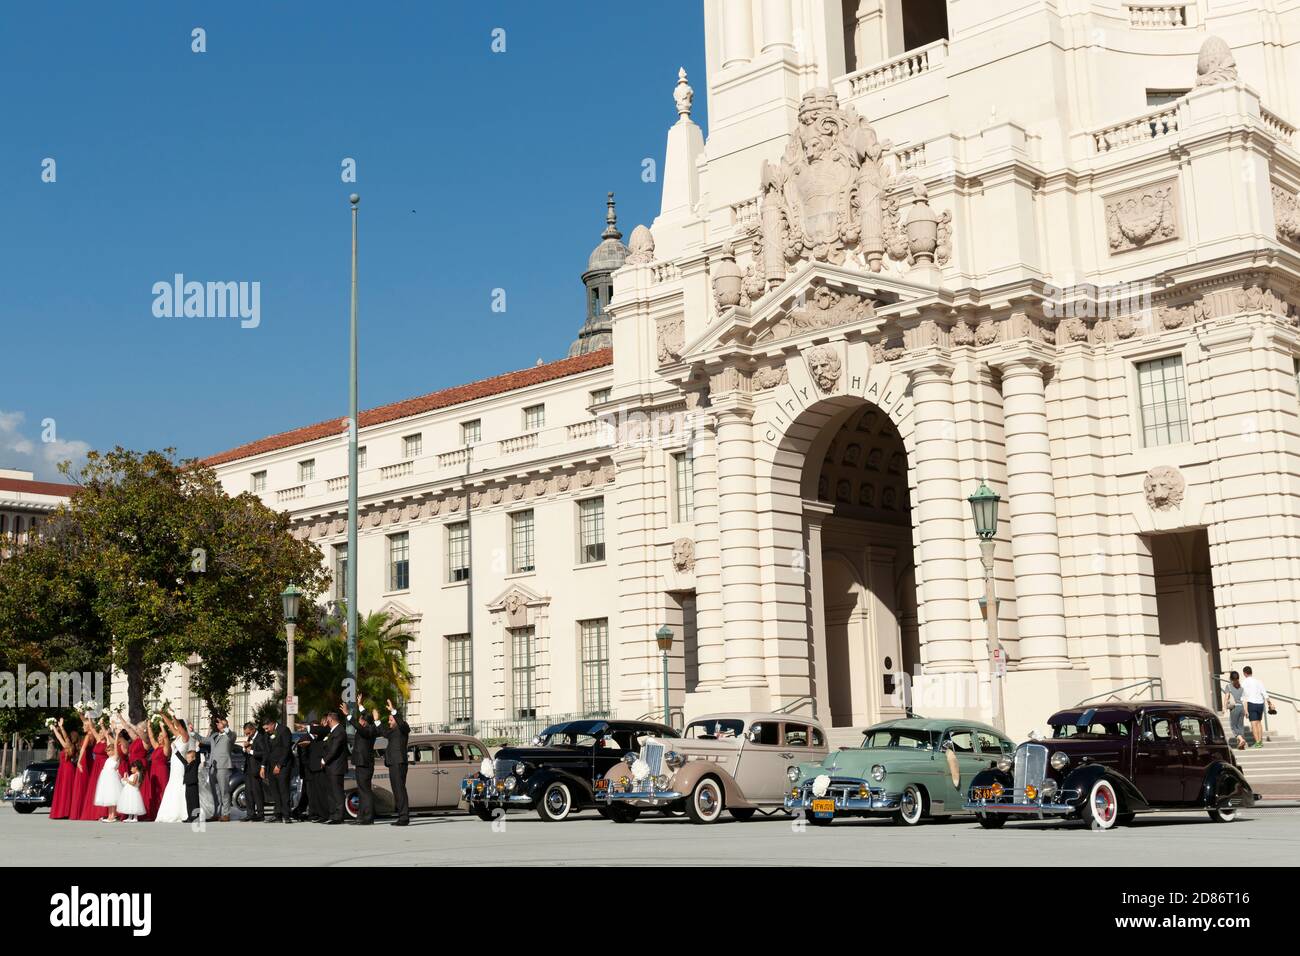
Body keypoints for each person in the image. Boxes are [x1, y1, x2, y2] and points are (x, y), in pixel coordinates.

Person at [341, 695, 376, 825]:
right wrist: (360, 705)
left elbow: (358, 726)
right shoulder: (368, 726)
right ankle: (361, 816)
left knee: (365, 791)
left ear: (364, 722)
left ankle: (368, 817)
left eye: (361, 719)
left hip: (364, 763)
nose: (360, 720)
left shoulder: (368, 730)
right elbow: (366, 716)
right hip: (361, 763)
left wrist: (347, 714)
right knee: (361, 790)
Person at [155, 711, 190, 823]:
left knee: (179, 784)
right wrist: (162, 714)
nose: (175, 728)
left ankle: (182, 811)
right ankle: (170, 811)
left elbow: (177, 725)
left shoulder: (185, 737)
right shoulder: (177, 737)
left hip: (180, 765)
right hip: (174, 764)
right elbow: (170, 726)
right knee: (172, 784)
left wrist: (173, 715)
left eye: (177, 726)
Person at [379, 699, 411, 826]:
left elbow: (401, 723)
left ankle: (404, 817)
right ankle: (402, 816)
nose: (389, 722)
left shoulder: (403, 728)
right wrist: (376, 720)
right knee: (397, 790)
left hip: (399, 762)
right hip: (393, 762)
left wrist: (393, 710)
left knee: (399, 789)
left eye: (391, 720)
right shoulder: (392, 732)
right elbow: (383, 732)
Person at [202, 715, 235, 822]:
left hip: (223, 766)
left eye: (221, 723)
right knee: (215, 792)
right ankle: (217, 813)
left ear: (225, 725)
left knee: (224, 791)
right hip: (213, 767)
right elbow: (204, 740)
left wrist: (224, 726)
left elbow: (229, 733)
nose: (218, 724)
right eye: (219, 723)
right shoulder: (215, 735)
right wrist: (192, 733)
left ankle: (226, 814)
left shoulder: (231, 735)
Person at [264, 716, 294, 823]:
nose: (266, 731)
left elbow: (286, 749)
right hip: (271, 766)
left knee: (283, 789)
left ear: (272, 724)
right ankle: (278, 814)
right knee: (274, 791)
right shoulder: (267, 734)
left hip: (283, 765)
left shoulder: (284, 730)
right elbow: (266, 751)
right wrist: (264, 766)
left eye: (267, 728)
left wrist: (279, 765)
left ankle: (286, 815)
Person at [48, 719, 80, 820]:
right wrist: (54, 728)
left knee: (65, 790)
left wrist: (61, 727)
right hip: (64, 769)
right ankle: (64, 811)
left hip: (67, 769)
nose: (67, 737)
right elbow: (59, 737)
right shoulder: (67, 746)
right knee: (64, 790)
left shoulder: (69, 746)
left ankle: (64, 811)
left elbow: (64, 737)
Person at [321, 710, 349, 824]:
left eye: (327, 719)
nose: (326, 721)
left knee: (337, 792)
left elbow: (334, 750)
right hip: (331, 767)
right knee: (331, 792)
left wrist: (324, 760)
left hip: (336, 767)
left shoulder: (339, 731)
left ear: (331, 719)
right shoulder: (333, 731)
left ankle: (339, 816)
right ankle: (333, 814)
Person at [91, 724, 123, 822]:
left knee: (112, 797)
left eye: (110, 750)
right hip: (106, 778)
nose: (108, 752)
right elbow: (109, 742)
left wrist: (116, 735)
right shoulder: (109, 758)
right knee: (108, 797)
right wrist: (104, 730)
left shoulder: (115, 757)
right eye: (107, 751)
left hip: (112, 778)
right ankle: (109, 815)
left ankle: (113, 815)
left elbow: (116, 747)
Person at [1241, 666, 1272, 749]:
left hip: (1251, 703)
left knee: (1253, 724)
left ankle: (1258, 742)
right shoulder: (1258, 681)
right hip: (1260, 704)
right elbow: (1264, 693)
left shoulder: (1244, 682)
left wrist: (1245, 709)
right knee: (1259, 722)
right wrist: (1269, 703)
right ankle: (1260, 741)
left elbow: (1243, 697)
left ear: (1244, 673)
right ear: (1251, 672)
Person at [242, 722, 266, 822]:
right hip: (248, 768)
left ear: (252, 730)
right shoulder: (250, 738)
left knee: (257, 792)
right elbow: (247, 753)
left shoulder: (260, 738)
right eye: (246, 733)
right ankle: (250, 813)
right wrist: (244, 749)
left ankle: (260, 814)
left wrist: (251, 751)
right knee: (248, 792)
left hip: (256, 768)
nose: (247, 735)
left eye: (248, 733)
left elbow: (264, 753)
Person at [1224, 671, 1248, 749]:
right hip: (1241, 708)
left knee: (1233, 726)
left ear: (1230, 678)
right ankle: (1242, 744)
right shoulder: (1242, 688)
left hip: (1234, 708)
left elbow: (1226, 697)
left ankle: (1240, 740)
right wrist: (1246, 710)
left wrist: (1224, 707)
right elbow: (1245, 700)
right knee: (1240, 726)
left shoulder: (1229, 686)